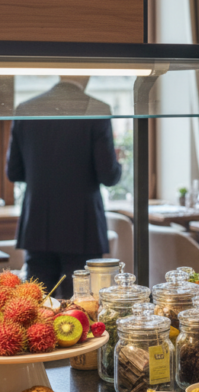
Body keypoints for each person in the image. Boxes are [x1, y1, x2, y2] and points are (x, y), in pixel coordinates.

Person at [7, 76, 122, 299]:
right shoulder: (97, 109)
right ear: (87, 74)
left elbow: (14, 172)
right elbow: (108, 175)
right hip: (82, 226)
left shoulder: (26, 108)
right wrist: (118, 164)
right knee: (81, 307)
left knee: (36, 305)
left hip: (38, 224)